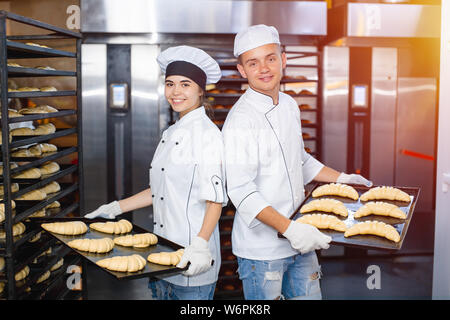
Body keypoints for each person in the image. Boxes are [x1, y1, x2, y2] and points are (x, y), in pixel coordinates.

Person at [222, 24, 372, 300]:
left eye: (270, 58)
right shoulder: (240, 121)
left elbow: (298, 160)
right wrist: (290, 229)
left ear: (283, 59)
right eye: (253, 63)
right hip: (263, 252)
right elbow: (241, 190)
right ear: (242, 71)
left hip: (301, 240)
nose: (264, 68)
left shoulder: (290, 105)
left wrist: (342, 179)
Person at [85, 46, 227, 300]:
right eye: (170, 84)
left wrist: (201, 244)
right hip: (161, 257)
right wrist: (116, 207)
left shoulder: (207, 135)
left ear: (201, 90)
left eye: (185, 84)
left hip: (192, 261)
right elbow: (161, 190)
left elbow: (215, 200)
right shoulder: (172, 132)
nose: (176, 92)